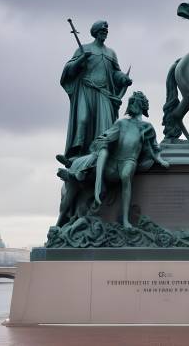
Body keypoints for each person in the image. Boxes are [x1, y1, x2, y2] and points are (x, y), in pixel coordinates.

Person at [56, 91, 169, 228]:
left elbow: (155, 148)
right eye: (131, 102)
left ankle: (125, 220)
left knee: (126, 176)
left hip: (129, 160)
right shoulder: (121, 123)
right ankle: (76, 168)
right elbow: (107, 136)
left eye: (135, 102)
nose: (132, 104)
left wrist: (160, 160)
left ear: (142, 106)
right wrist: (103, 141)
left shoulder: (147, 127)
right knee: (101, 153)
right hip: (114, 160)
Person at [57, 20, 132, 166]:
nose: (104, 32)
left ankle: (102, 154)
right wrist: (81, 60)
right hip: (85, 90)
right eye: (102, 30)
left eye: (106, 31)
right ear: (96, 32)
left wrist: (123, 78)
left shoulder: (111, 53)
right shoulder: (83, 49)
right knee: (83, 119)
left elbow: (115, 72)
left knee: (104, 126)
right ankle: (76, 155)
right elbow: (68, 70)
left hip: (103, 93)